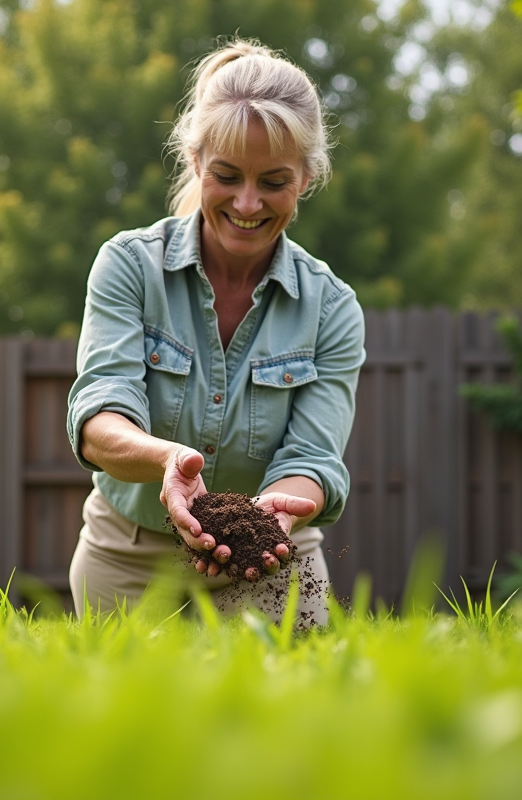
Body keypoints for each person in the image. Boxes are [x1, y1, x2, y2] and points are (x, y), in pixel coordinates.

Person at [66, 39, 365, 624]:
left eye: (273, 181)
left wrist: (272, 516)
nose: (248, 203)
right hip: (130, 551)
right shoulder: (129, 266)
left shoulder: (331, 307)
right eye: (227, 175)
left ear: (305, 177)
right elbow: (99, 419)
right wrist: (169, 461)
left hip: (270, 554)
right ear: (197, 160)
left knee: (291, 708)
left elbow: (315, 454)